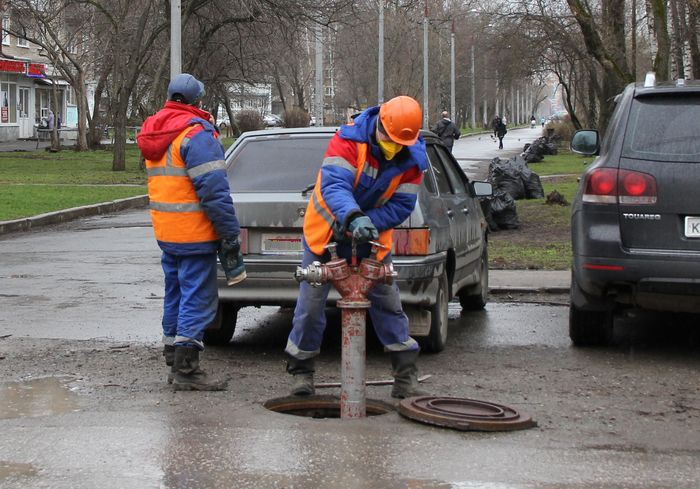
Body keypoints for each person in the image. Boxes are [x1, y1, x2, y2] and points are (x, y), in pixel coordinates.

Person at [285, 95, 428, 399]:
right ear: (380, 126)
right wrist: (351, 217)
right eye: (389, 140)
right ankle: (302, 372)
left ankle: (405, 374)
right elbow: (334, 185)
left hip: (372, 237)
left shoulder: (413, 159)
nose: (393, 147)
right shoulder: (348, 140)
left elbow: (403, 205)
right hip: (327, 230)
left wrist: (369, 223)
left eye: (400, 144)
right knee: (310, 306)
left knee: (388, 301)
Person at [136, 73, 245, 391]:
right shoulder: (195, 135)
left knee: (175, 293)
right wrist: (228, 232)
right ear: (198, 102)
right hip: (195, 233)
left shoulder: (155, 129)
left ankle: (173, 354)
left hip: (167, 231)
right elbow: (214, 191)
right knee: (198, 298)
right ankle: (186, 370)